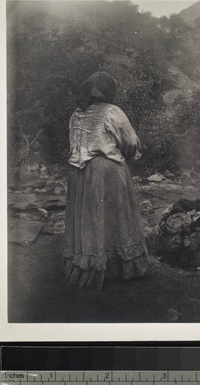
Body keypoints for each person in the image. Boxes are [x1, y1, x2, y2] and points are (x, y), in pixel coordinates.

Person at [63, 71, 148, 290]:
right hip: (106, 171)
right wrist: (127, 156)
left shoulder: (75, 115)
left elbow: (74, 146)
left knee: (90, 218)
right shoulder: (112, 112)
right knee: (115, 216)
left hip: (79, 173)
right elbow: (130, 142)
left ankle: (89, 266)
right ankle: (118, 268)